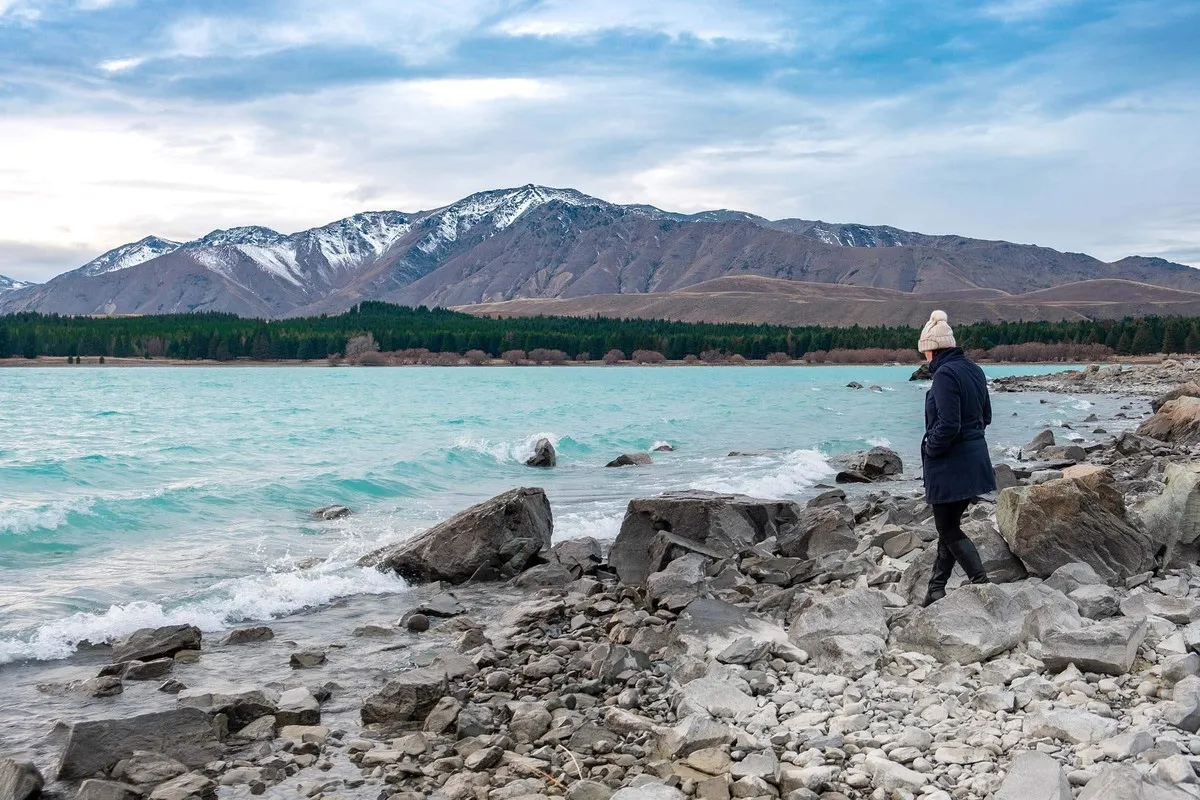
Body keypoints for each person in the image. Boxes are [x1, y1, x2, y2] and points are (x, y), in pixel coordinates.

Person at [918, 310, 996, 606]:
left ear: (930, 348)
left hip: (951, 463)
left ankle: (981, 583)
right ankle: (935, 590)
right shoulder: (974, 370)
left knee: (947, 528)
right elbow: (985, 416)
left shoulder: (945, 374)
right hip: (975, 459)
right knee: (948, 527)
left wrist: (931, 449)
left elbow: (949, 423)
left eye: (924, 350)